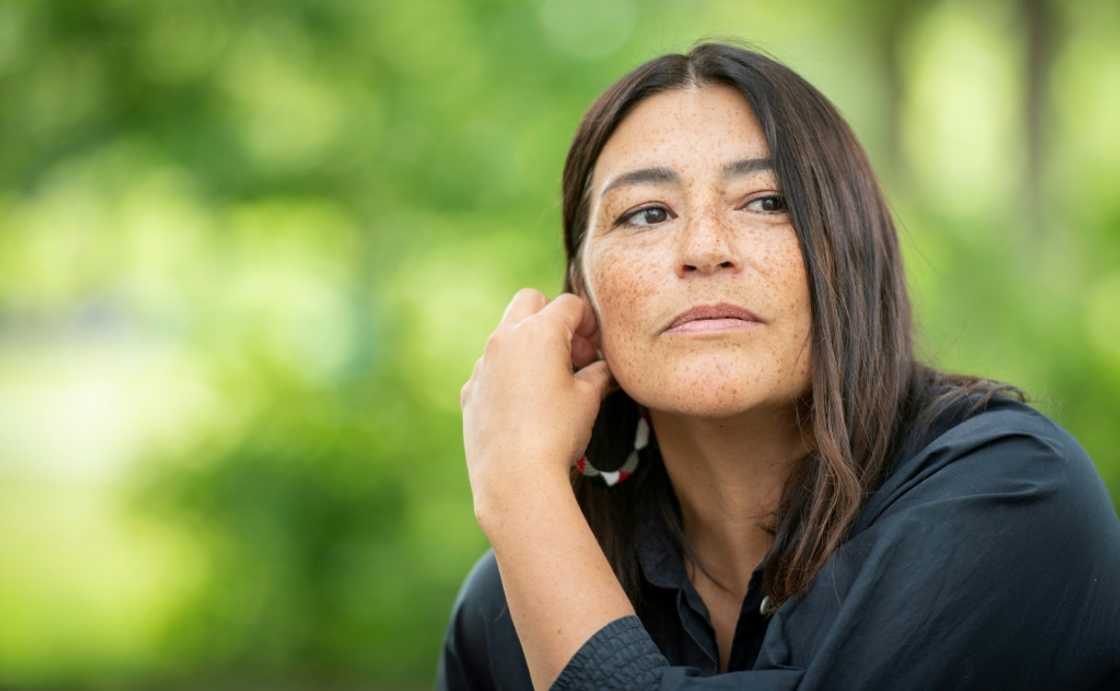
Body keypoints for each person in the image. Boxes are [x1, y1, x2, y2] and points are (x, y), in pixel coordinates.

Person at [437, 40, 1120, 690]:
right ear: (581, 299)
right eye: (646, 214)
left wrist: (520, 486)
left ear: (852, 255)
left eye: (768, 202)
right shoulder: (512, 599)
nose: (705, 247)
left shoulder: (1013, 498)